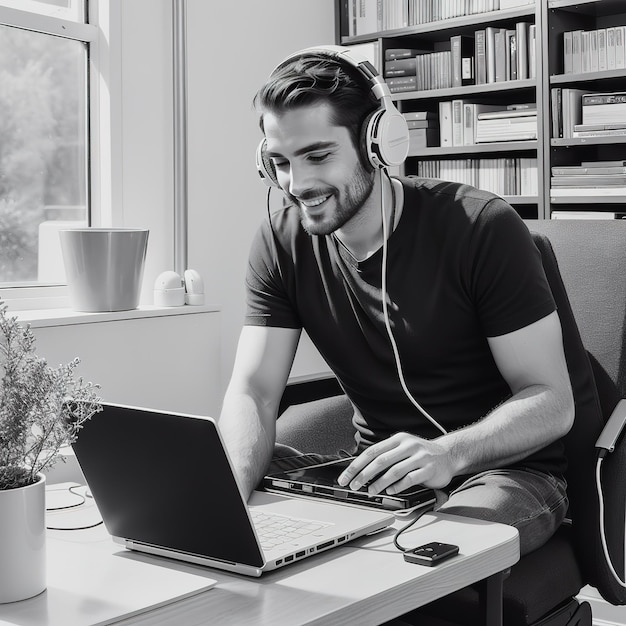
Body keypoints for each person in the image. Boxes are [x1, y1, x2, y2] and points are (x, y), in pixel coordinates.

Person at [218, 46, 575, 557]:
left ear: (378, 143)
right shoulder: (280, 242)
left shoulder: (480, 227)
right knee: (203, 477)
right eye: (279, 162)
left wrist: (448, 454)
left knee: (422, 553)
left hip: (504, 473)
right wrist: (228, 497)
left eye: (318, 156)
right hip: (379, 477)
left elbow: (552, 400)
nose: (297, 184)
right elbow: (253, 391)